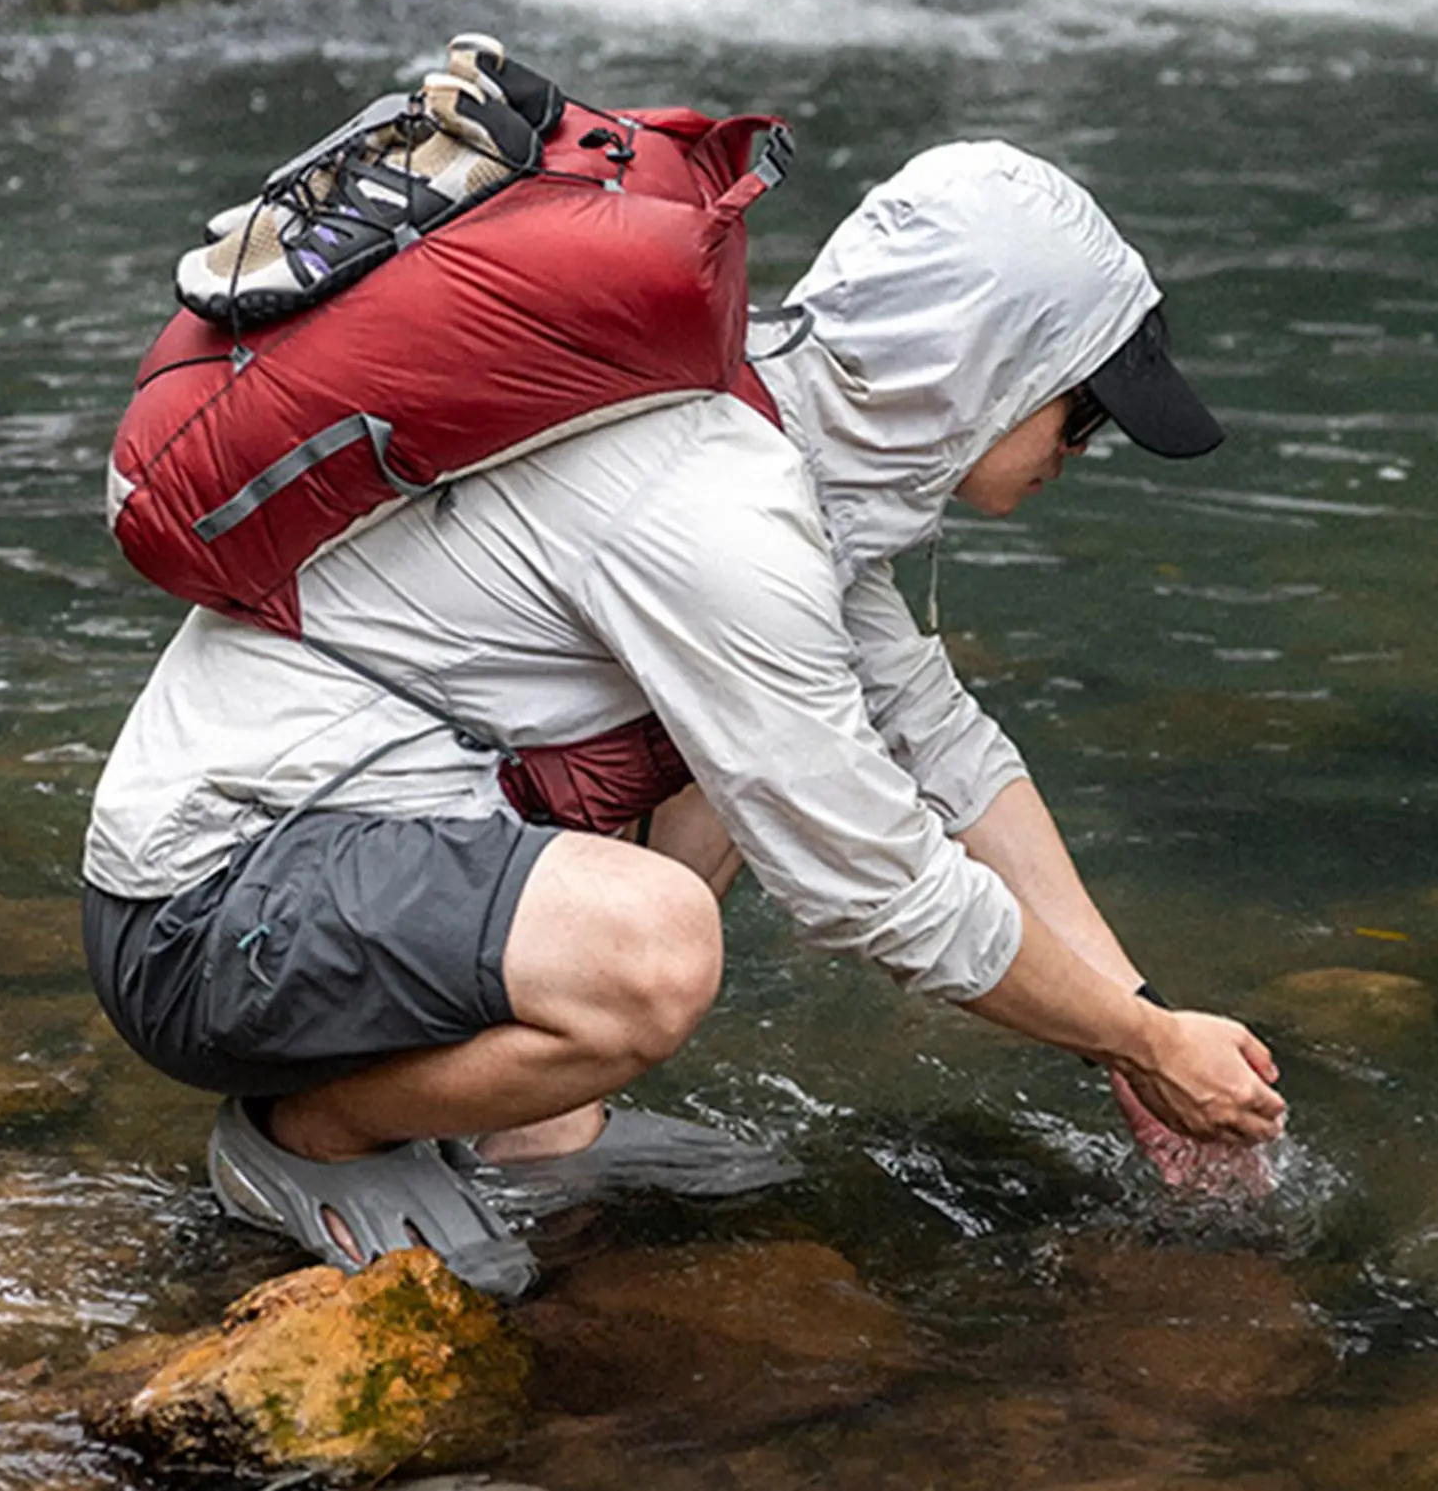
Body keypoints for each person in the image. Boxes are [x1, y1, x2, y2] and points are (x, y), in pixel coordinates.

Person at [81, 135, 1286, 1299]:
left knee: (756, 755)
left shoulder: (780, 440)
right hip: (200, 914)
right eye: (1078, 414)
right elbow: (877, 887)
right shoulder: (717, 504)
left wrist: (1141, 1014)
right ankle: (311, 1132)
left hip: (343, 867)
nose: (1082, 448)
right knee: (656, 950)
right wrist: (1135, 1047)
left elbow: (942, 750)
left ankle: (530, 1127)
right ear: (980, 370)